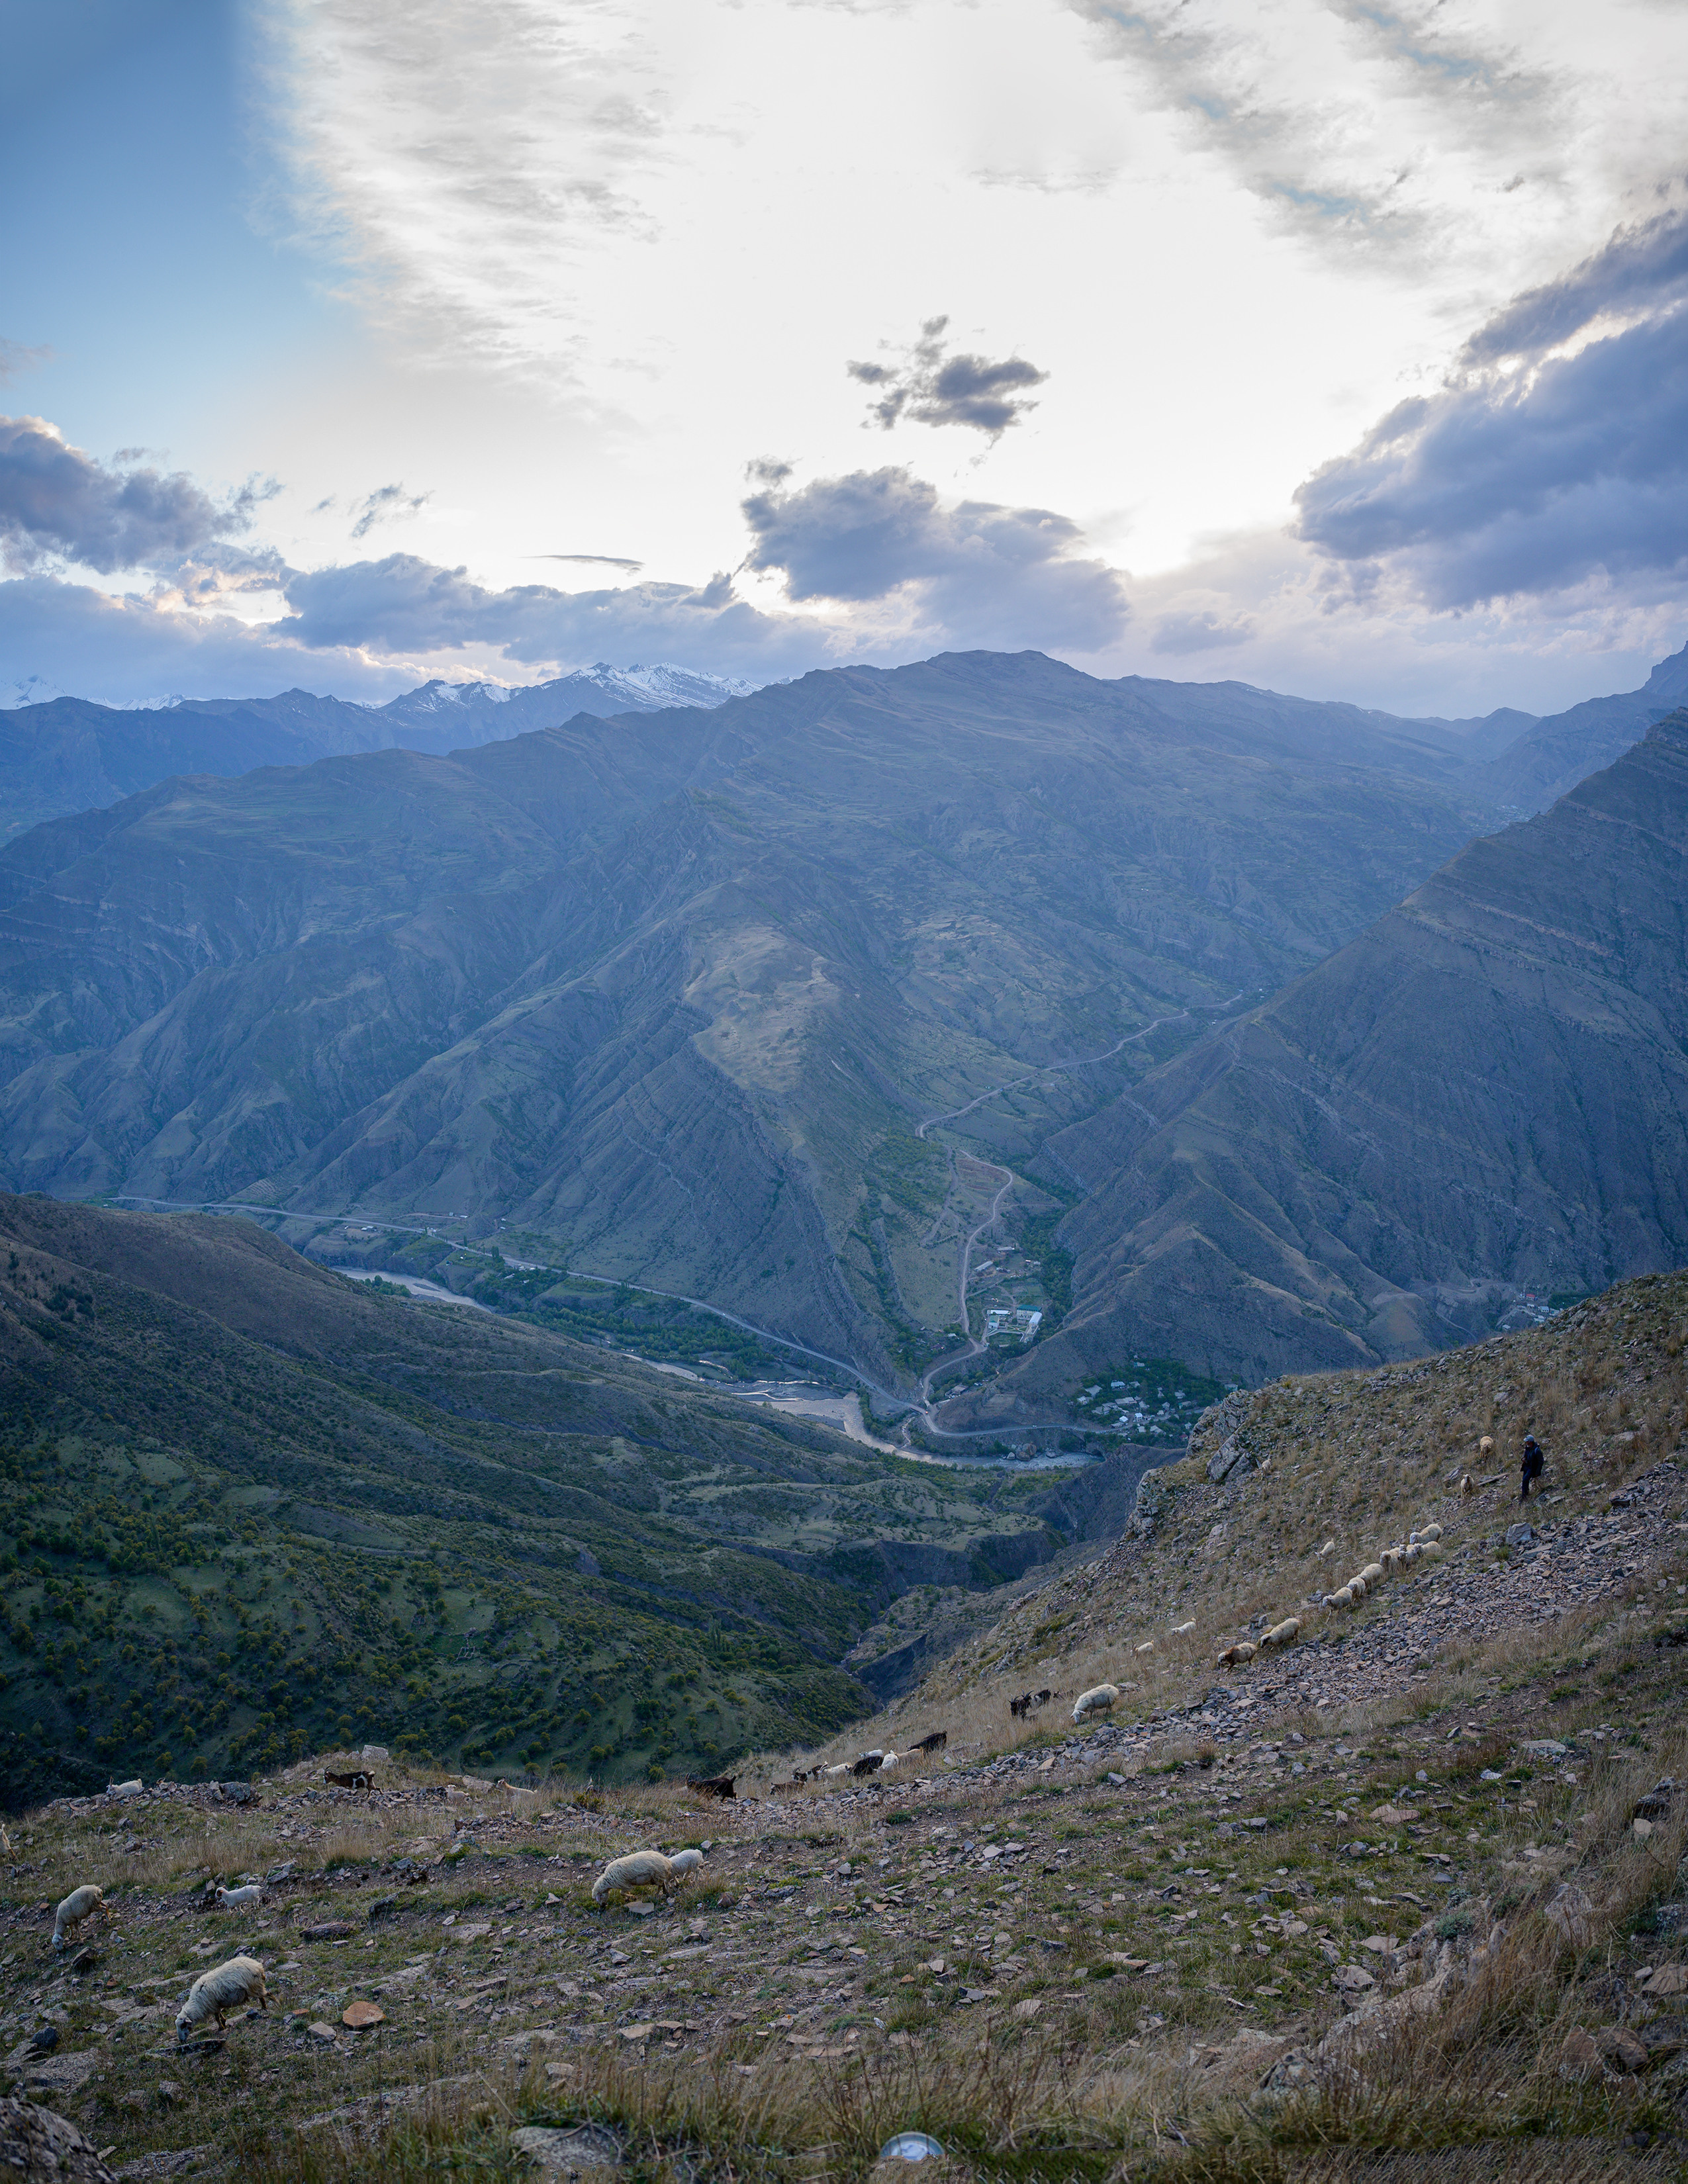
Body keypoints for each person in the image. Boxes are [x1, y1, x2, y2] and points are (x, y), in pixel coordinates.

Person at [1521, 1434, 1545, 1501]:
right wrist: (1523, 1459)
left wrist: (1537, 1472)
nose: (1526, 1443)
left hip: (1532, 1468)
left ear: (1530, 1442)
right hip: (1526, 1467)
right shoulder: (1528, 1449)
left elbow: (1541, 1462)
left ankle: (1524, 1496)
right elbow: (1524, 1456)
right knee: (1524, 1481)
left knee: (1525, 1480)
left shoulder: (1537, 1450)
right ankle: (1525, 1494)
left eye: (1527, 1441)